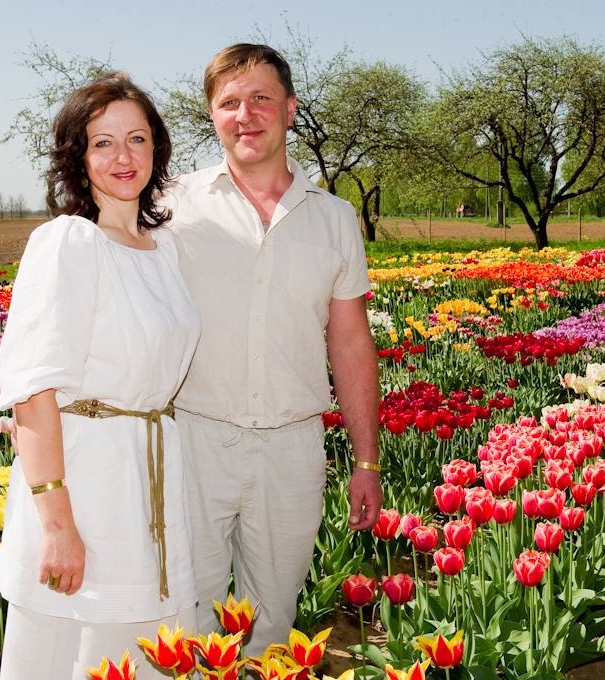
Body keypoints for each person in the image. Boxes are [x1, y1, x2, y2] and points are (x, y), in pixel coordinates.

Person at [167, 43, 382, 655]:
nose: (246, 113)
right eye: (229, 102)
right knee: (187, 625)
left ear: (290, 109)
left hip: (292, 445)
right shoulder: (173, 208)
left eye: (261, 97)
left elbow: (350, 342)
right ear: (212, 115)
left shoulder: (335, 218)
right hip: (192, 439)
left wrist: (365, 461)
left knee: (273, 624)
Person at [0, 72, 200, 680]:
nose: (122, 156)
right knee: (73, 652)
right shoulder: (67, 242)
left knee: (149, 652)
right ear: (77, 156)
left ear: (156, 148)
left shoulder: (166, 251)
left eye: (136, 138)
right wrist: (57, 527)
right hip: (88, 482)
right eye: (102, 142)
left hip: (154, 479)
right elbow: (32, 391)